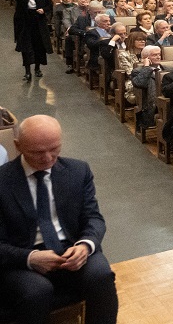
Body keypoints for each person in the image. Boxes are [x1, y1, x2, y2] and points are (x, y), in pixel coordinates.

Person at [0, 115, 119, 324]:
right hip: (22, 255)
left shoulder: (78, 171)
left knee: (101, 276)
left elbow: (93, 218)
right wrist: (30, 257)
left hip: (71, 247)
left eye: (54, 149)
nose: (48, 158)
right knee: (37, 292)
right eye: (37, 152)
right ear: (18, 146)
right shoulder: (3, 181)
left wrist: (85, 245)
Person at [12, 0, 52, 81]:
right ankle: (27, 72)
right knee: (26, 47)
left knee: (38, 45)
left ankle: (37, 68)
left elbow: (49, 5)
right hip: (24, 21)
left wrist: (43, 10)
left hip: (38, 20)